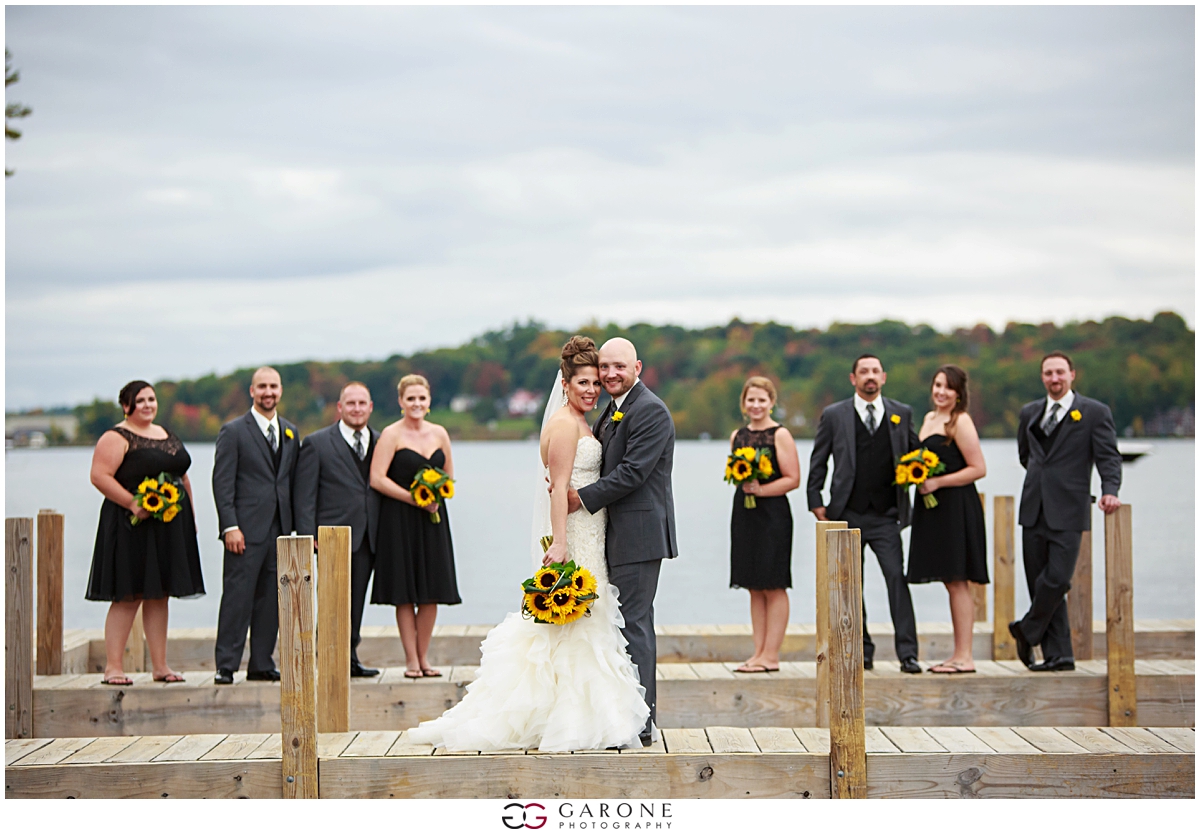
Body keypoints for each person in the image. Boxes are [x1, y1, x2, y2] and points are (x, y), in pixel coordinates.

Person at [407, 336, 648, 751]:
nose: (592, 389)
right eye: (583, 382)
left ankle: (593, 718)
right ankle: (573, 721)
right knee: (577, 627)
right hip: (574, 538)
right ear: (565, 383)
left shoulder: (581, 421)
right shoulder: (564, 425)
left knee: (586, 627)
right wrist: (559, 544)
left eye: (595, 382)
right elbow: (557, 491)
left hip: (590, 532)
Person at [567, 336, 677, 745]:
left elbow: (633, 472)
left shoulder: (650, 411)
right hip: (613, 534)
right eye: (605, 367)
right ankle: (619, 715)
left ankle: (642, 723)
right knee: (618, 625)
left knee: (634, 625)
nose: (611, 374)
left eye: (620, 366)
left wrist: (579, 497)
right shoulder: (611, 411)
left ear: (638, 368)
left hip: (641, 535)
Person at [807, 354, 922, 673]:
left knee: (897, 580)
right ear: (853, 378)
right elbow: (819, 459)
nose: (870, 376)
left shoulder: (902, 412)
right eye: (863, 372)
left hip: (887, 516)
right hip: (846, 513)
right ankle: (861, 650)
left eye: (875, 371)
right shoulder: (834, 415)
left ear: (883, 377)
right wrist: (815, 499)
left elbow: (917, 455)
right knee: (848, 587)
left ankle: (908, 653)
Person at [86, 380, 205, 685]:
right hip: (130, 526)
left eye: (151, 399)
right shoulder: (116, 436)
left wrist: (190, 518)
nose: (148, 405)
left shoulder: (165, 433)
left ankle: (161, 667)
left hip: (168, 527)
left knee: (160, 594)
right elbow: (99, 476)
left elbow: (182, 476)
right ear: (127, 406)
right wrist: (132, 503)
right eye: (141, 401)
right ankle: (113, 667)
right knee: (129, 595)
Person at [1009, 351, 1122, 672]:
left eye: (1060, 372)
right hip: (1033, 508)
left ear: (1072, 374)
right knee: (1038, 581)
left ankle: (1027, 629)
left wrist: (1109, 491)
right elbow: (1026, 456)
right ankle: (1059, 656)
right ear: (1042, 377)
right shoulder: (1030, 412)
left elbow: (1108, 458)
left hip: (1070, 508)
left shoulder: (1094, 413)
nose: (1054, 379)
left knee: (1057, 579)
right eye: (1048, 373)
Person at [212, 366, 301, 685]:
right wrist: (229, 526)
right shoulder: (233, 431)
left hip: (279, 529)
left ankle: (261, 662)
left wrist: (296, 527)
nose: (268, 392)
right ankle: (226, 665)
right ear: (252, 391)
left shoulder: (290, 431)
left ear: (280, 390)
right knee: (237, 596)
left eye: (273, 386)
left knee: (271, 599)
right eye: (262, 386)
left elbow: (290, 481)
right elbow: (222, 484)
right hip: (244, 531)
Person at [369, 374, 460, 679]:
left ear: (429, 401)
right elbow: (377, 479)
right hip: (399, 519)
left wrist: (436, 494)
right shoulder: (391, 435)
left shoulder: (440, 433)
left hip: (433, 518)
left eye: (422, 398)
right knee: (406, 591)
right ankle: (411, 661)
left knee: (432, 590)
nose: (417, 403)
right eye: (411, 399)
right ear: (400, 402)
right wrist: (413, 498)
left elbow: (449, 476)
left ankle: (425, 658)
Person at [293, 381, 382, 678]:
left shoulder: (382, 441)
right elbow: (304, 495)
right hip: (331, 537)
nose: (357, 409)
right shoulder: (316, 443)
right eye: (351, 403)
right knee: (332, 600)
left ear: (370, 407)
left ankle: (350, 657)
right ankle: (329, 659)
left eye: (362, 403)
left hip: (371, 534)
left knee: (356, 600)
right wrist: (309, 534)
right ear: (340, 408)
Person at [906, 366, 988, 673]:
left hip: (956, 506)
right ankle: (957, 654)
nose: (941, 391)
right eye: (937, 385)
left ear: (958, 393)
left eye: (948, 388)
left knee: (957, 581)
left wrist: (939, 483)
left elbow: (978, 468)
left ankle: (964, 656)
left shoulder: (960, 421)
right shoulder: (929, 419)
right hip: (932, 507)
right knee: (948, 580)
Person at [728, 376, 801, 673]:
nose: (756, 405)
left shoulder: (780, 434)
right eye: (751, 400)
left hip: (773, 515)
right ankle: (758, 652)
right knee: (753, 585)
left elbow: (793, 479)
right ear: (744, 404)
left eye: (762, 400)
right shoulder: (738, 436)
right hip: (745, 514)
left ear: (771, 402)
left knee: (774, 583)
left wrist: (761, 490)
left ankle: (772, 655)